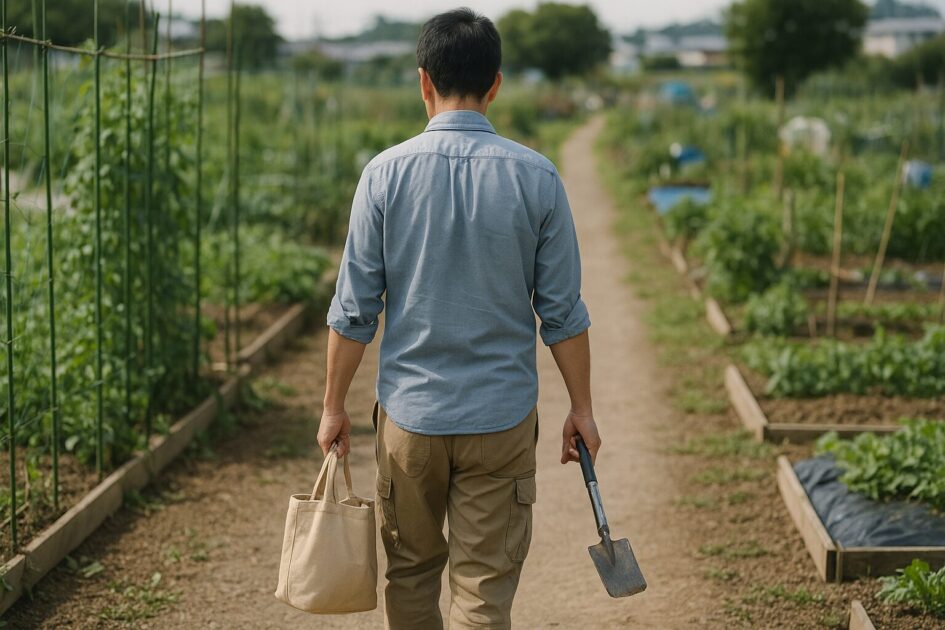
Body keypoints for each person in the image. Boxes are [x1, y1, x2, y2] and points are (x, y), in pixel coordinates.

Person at [317, 8, 600, 629]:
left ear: (424, 81)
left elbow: (353, 310)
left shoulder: (383, 176)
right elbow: (562, 313)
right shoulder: (537, 178)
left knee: (412, 575)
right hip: (499, 419)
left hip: (411, 420)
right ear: (495, 83)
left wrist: (334, 406)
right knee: (483, 591)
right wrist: (581, 409)